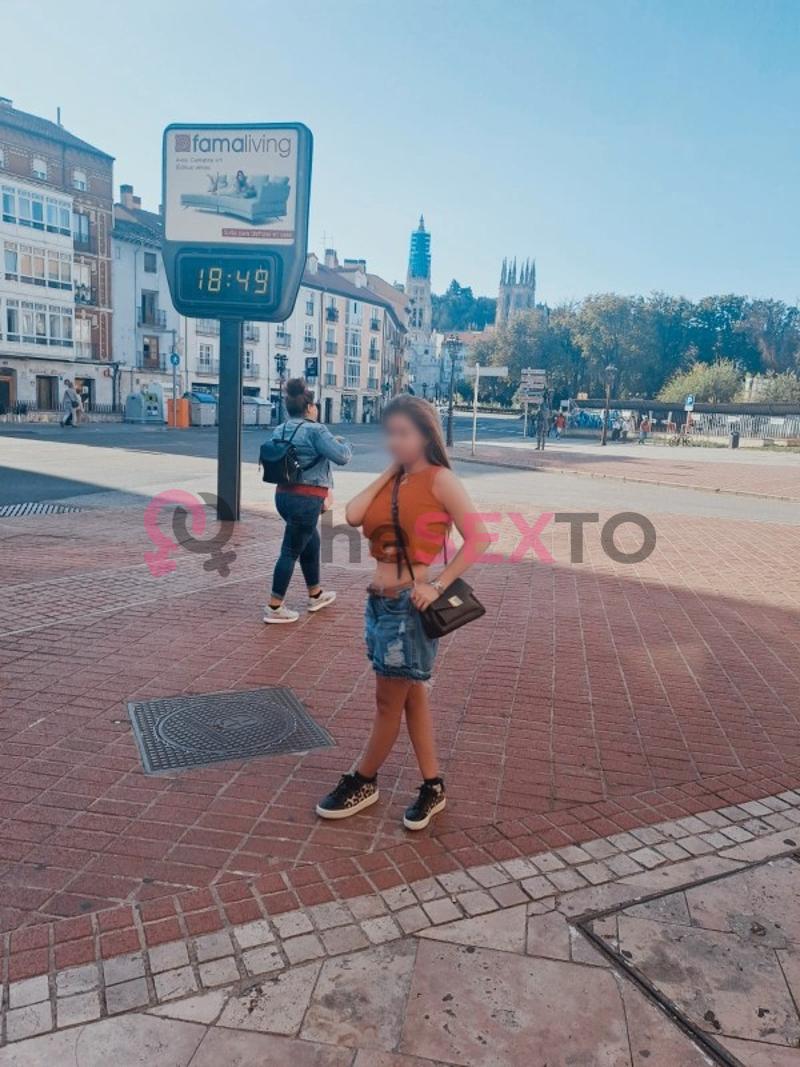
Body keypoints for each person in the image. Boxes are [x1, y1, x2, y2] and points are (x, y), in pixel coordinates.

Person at [316, 394, 490, 831]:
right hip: (378, 604)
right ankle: (433, 785)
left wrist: (437, 585)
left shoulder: (441, 480)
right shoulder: (397, 479)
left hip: (408, 608)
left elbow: (480, 538)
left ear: (426, 434)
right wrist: (392, 469)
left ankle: (363, 779)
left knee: (386, 703)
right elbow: (353, 514)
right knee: (412, 698)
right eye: (390, 433)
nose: (394, 441)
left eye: (403, 433)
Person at [265, 378, 352, 623]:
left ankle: (316, 594)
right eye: (314, 406)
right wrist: (344, 442)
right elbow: (342, 457)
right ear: (309, 407)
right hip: (306, 499)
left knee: (310, 542)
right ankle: (274, 607)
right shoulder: (316, 430)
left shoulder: (280, 429)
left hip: (283, 496)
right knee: (290, 550)